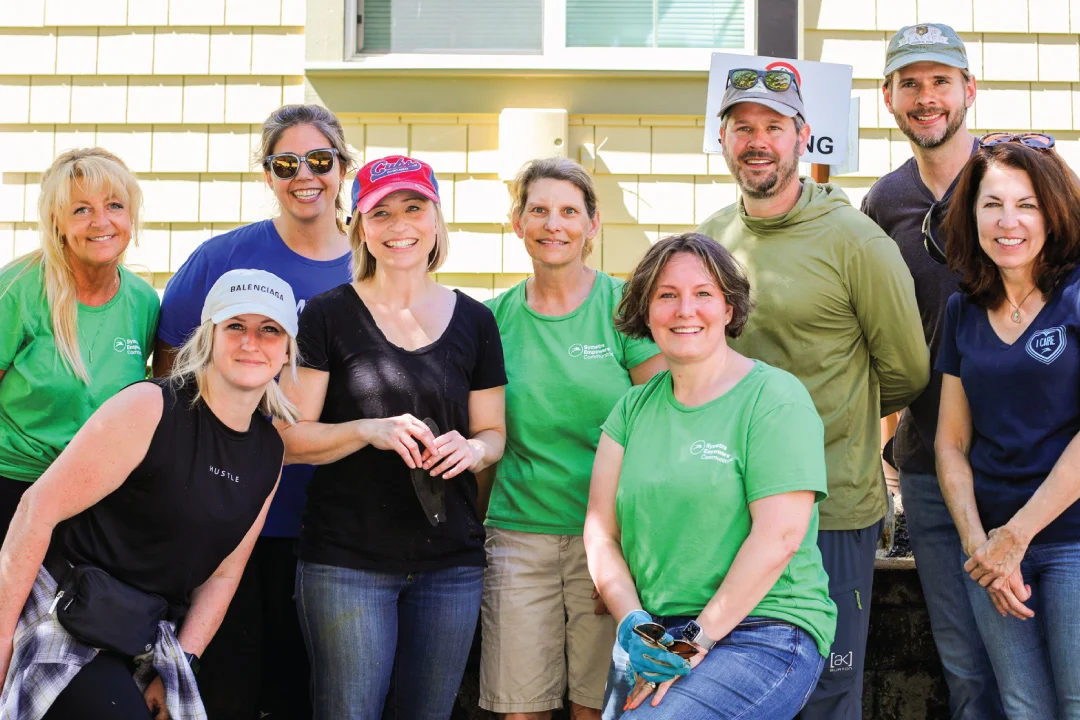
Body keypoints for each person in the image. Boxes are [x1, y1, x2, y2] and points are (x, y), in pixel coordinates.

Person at [695, 65, 929, 720]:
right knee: (738, 687)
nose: (758, 141)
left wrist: (831, 423)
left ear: (802, 137)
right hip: (729, 511)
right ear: (723, 140)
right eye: (743, 128)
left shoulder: (855, 240)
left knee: (826, 692)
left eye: (774, 127)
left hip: (832, 512)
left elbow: (906, 372)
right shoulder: (711, 239)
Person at [0, 268, 296, 719]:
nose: (250, 342)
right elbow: (35, 510)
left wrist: (181, 663)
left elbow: (222, 575)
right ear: (209, 336)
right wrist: (0, 640)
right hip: (63, 612)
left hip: (147, 632)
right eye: (235, 325)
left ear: (288, 348)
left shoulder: (268, 451)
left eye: (269, 330)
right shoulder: (152, 407)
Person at [278, 154, 507, 720]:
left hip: (450, 563)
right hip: (347, 562)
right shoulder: (327, 316)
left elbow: (495, 432)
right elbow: (288, 438)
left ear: (435, 219)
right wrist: (366, 430)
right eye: (380, 213)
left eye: (413, 208)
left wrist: (474, 449)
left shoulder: (477, 321)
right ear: (358, 225)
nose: (399, 225)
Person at [154, 104, 356, 718]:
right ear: (267, 174)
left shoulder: (371, 265)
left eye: (320, 161)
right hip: (226, 516)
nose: (305, 175)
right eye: (286, 163)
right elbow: (169, 371)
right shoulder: (221, 259)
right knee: (226, 691)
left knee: (305, 694)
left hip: (333, 526)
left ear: (343, 168)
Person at [584, 232, 837, 719]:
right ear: (645, 310)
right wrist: (633, 623)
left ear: (728, 308)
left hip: (762, 630)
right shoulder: (632, 409)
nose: (685, 310)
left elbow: (780, 536)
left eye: (703, 293)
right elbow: (599, 530)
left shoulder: (774, 399)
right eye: (666, 295)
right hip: (655, 632)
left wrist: (696, 639)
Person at [479, 158, 665, 720]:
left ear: (593, 224)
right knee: (521, 710)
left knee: (597, 708)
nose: (552, 224)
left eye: (568, 211)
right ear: (517, 223)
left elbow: (659, 430)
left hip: (609, 541)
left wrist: (627, 547)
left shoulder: (625, 310)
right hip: (517, 540)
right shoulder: (491, 321)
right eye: (538, 210)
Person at [860, 24, 1003, 719]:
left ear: (968, 91)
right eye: (910, 83)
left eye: (940, 81)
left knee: (1030, 657)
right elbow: (877, 336)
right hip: (923, 460)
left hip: (1019, 460)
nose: (926, 97)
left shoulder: (1015, 182)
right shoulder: (882, 204)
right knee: (962, 662)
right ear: (889, 98)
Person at [935, 134, 1080, 718]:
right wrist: (980, 548)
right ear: (973, 217)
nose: (1007, 221)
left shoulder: (1076, 295)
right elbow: (951, 441)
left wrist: (1012, 539)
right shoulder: (961, 309)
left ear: (1053, 212)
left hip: (1071, 540)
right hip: (991, 549)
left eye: (1025, 204)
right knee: (1023, 708)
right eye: (992, 204)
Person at [0, 148, 159, 534]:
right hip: (15, 487)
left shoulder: (143, 301)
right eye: (81, 209)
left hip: (100, 492)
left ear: (131, 216)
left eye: (115, 206)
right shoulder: (18, 289)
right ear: (58, 223)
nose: (101, 222)